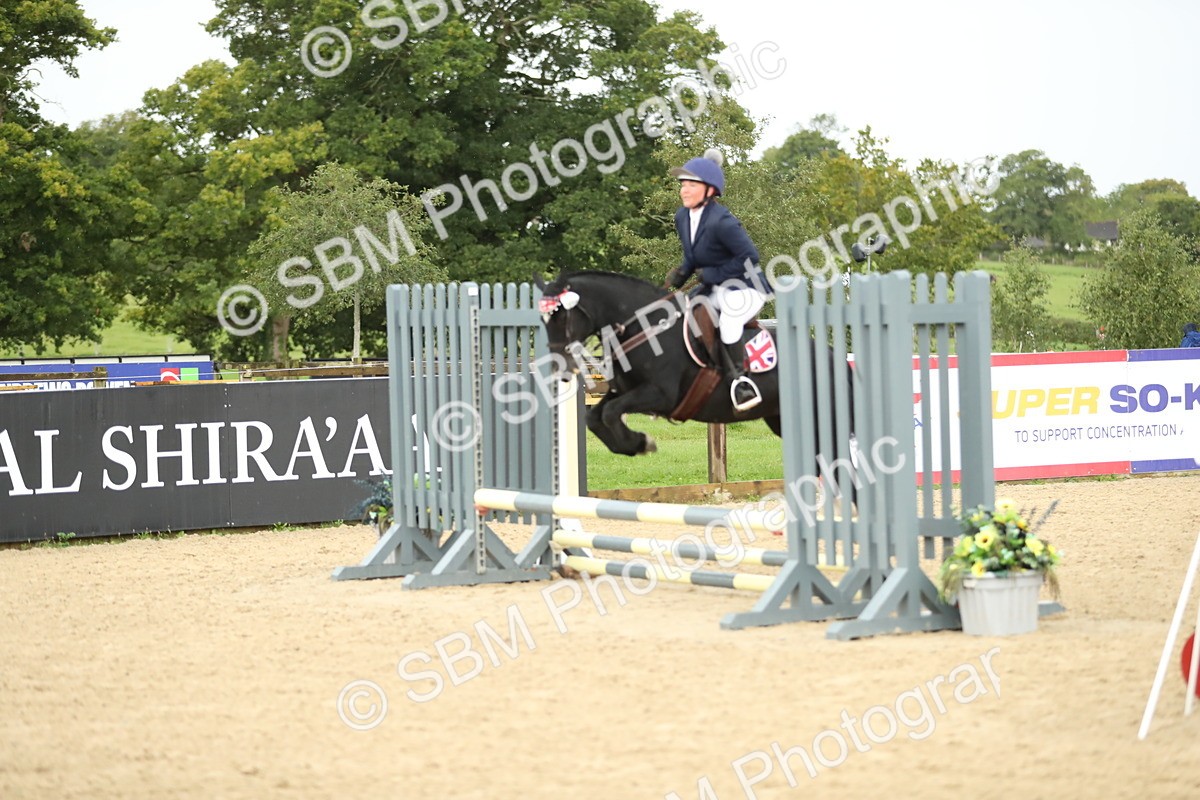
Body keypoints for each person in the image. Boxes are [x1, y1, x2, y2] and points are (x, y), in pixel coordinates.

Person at [664, 148, 770, 411]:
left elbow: (750, 256)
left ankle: (740, 383)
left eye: (691, 185)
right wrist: (680, 275)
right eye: (683, 185)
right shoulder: (682, 217)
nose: (684, 190)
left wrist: (713, 274)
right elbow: (692, 255)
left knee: (729, 319)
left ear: (710, 190)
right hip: (714, 288)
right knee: (683, 314)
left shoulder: (722, 221)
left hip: (746, 287)